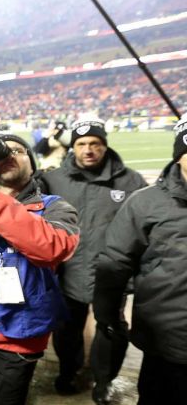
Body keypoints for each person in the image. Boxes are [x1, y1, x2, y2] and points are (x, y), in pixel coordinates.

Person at [0, 135, 79, 405]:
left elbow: (52, 248)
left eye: (18, 151)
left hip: (18, 335)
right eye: (1, 153)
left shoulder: (55, 207)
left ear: (32, 164)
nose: (9, 156)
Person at [39, 117, 147, 400]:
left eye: (95, 144)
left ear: (104, 146)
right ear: (73, 147)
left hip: (112, 273)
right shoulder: (54, 179)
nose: (88, 150)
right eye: (81, 144)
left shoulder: (131, 181)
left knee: (110, 328)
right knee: (66, 328)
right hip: (67, 270)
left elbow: (144, 228)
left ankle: (104, 381)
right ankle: (67, 371)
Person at [93, 114, 187, 405]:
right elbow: (116, 262)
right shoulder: (145, 203)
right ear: (179, 157)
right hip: (167, 340)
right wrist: (107, 311)